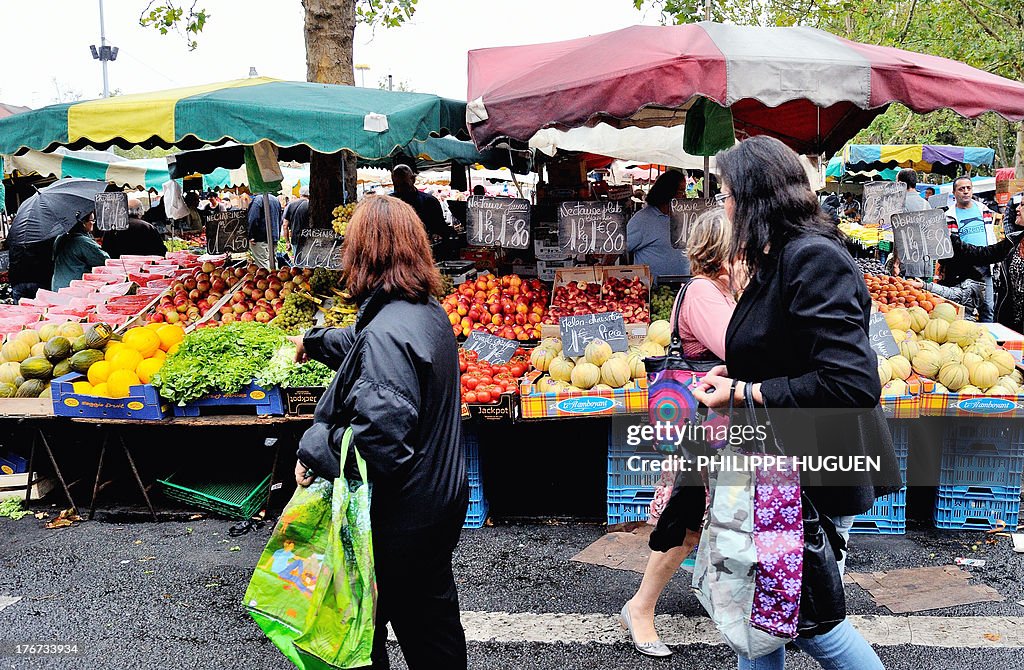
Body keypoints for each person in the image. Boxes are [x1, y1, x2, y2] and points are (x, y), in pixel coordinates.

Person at [692, 136, 901, 670]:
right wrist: (738, 373)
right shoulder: (778, 256)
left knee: (812, 624)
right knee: (764, 622)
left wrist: (745, 391)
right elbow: (789, 347)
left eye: (727, 194)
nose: (724, 206)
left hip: (810, 471)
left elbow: (851, 382)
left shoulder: (811, 258)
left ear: (754, 198)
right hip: (782, 466)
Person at [291, 195, 467, 670]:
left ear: (363, 254)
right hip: (436, 497)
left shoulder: (388, 332)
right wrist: (313, 342)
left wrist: (313, 448)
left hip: (402, 514)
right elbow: (361, 346)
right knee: (430, 621)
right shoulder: (422, 310)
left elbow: (379, 445)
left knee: (372, 627)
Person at [621, 208, 739, 658]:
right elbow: (740, 348)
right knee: (686, 523)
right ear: (725, 251)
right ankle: (640, 607)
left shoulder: (720, 291)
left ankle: (733, 603)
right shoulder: (706, 293)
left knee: (714, 519)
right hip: (704, 430)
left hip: (721, 429)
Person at [946, 176, 999, 321]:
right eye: (961, 189)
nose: (965, 192)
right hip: (964, 269)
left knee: (988, 308)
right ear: (954, 192)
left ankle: (986, 340)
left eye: (968, 188)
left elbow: (991, 235)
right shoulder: (949, 216)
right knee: (964, 308)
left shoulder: (984, 210)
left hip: (985, 266)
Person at [626, 170, 689, 283]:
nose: (685, 196)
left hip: (684, 285)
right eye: (681, 191)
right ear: (668, 193)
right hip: (653, 289)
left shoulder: (684, 217)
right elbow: (619, 246)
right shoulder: (642, 219)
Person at [51, 211, 108, 291]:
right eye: (92, 220)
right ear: (83, 223)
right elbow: (103, 260)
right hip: (74, 289)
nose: (93, 223)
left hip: (58, 286)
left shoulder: (59, 238)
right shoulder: (82, 241)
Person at [391, 164, 448, 240]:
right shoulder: (390, 202)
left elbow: (440, 228)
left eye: (404, 185)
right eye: (396, 186)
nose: (400, 189)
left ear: (413, 180)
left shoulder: (430, 201)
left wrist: (435, 235)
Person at [101, 199, 167, 259]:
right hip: (142, 267)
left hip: (117, 267)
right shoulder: (148, 227)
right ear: (140, 210)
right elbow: (160, 251)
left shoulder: (113, 227)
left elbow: (105, 250)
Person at [247, 193, 282, 269]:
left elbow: (253, 219)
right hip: (274, 237)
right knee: (273, 262)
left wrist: (251, 235)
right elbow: (280, 219)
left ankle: (268, 279)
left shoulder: (257, 200)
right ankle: (275, 279)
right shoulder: (275, 199)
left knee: (262, 264)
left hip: (260, 238)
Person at [282, 186, 309, 256]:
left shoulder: (290, 205)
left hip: (296, 239)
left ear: (300, 194)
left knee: (298, 263)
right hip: (310, 239)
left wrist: (287, 242)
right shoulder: (311, 205)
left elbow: (285, 225)